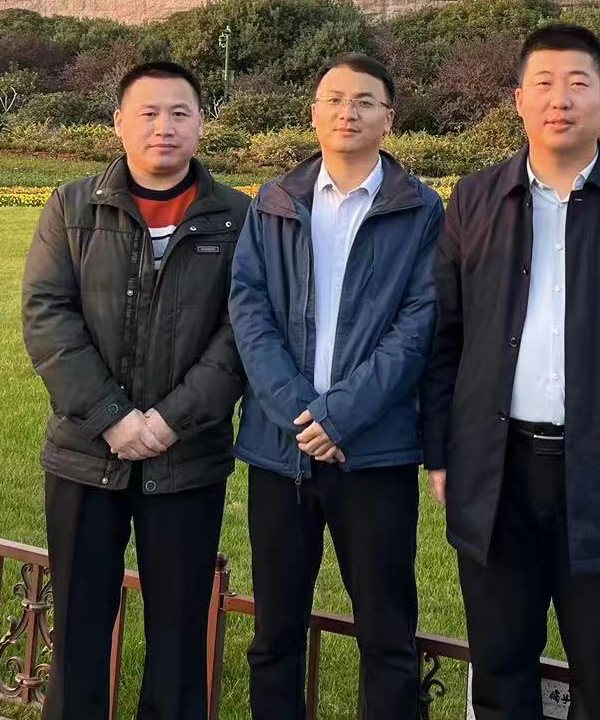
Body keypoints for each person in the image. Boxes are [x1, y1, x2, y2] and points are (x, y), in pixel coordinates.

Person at [422, 23, 600, 720]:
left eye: (579, 84)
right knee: (499, 671)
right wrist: (441, 453)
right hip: (496, 469)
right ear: (518, 100)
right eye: (544, 84)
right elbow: (444, 339)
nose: (561, 99)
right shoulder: (475, 200)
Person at [22, 61, 249, 720]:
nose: (163, 127)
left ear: (201, 124)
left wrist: (172, 419)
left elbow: (242, 332)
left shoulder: (238, 217)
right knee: (79, 627)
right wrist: (113, 418)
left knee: (178, 633)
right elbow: (48, 318)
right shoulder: (72, 207)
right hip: (85, 456)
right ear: (119, 122)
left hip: (188, 459)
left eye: (179, 113)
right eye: (147, 113)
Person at [229, 53, 445, 719]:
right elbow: (248, 308)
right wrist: (303, 415)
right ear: (314, 112)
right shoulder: (274, 201)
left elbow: (419, 324)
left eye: (364, 101)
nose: (347, 112)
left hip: (372, 453)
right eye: (334, 99)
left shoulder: (420, 210)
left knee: (387, 634)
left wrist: (342, 417)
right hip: (282, 451)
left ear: (389, 118)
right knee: (274, 634)